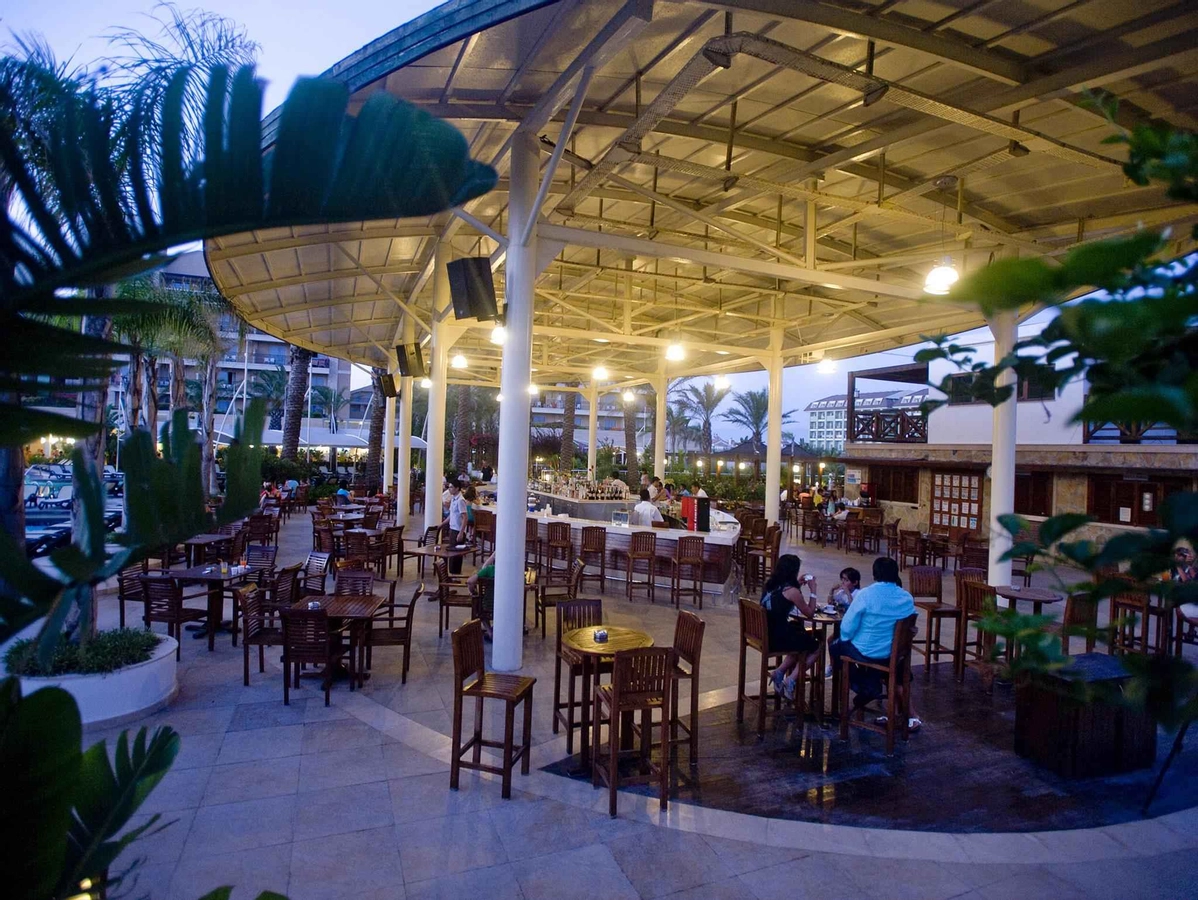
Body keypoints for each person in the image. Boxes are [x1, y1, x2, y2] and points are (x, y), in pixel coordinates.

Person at [830, 557, 920, 730]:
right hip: (894, 654)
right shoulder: (906, 597)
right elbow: (911, 627)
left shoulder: (866, 594)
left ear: (874, 574)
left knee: (836, 646)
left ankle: (864, 687)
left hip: (867, 652)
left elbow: (847, 627)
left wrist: (850, 638)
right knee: (890, 669)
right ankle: (872, 687)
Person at [760, 554, 821, 702]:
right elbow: (809, 613)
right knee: (816, 647)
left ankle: (779, 672)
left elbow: (781, 599)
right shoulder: (793, 591)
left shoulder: (769, 585)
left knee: (799, 634)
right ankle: (791, 679)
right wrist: (813, 591)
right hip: (777, 638)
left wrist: (797, 585)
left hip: (765, 634)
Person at [441, 482, 467, 573]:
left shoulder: (460, 500)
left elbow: (465, 517)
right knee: (452, 553)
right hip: (452, 529)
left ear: (457, 488)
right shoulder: (453, 499)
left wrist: (461, 533)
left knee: (456, 555)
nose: (449, 489)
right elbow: (451, 515)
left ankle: (455, 575)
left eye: (451, 487)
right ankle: (452, 574)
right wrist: (442, 524)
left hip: (458, 530)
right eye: (449, 487)